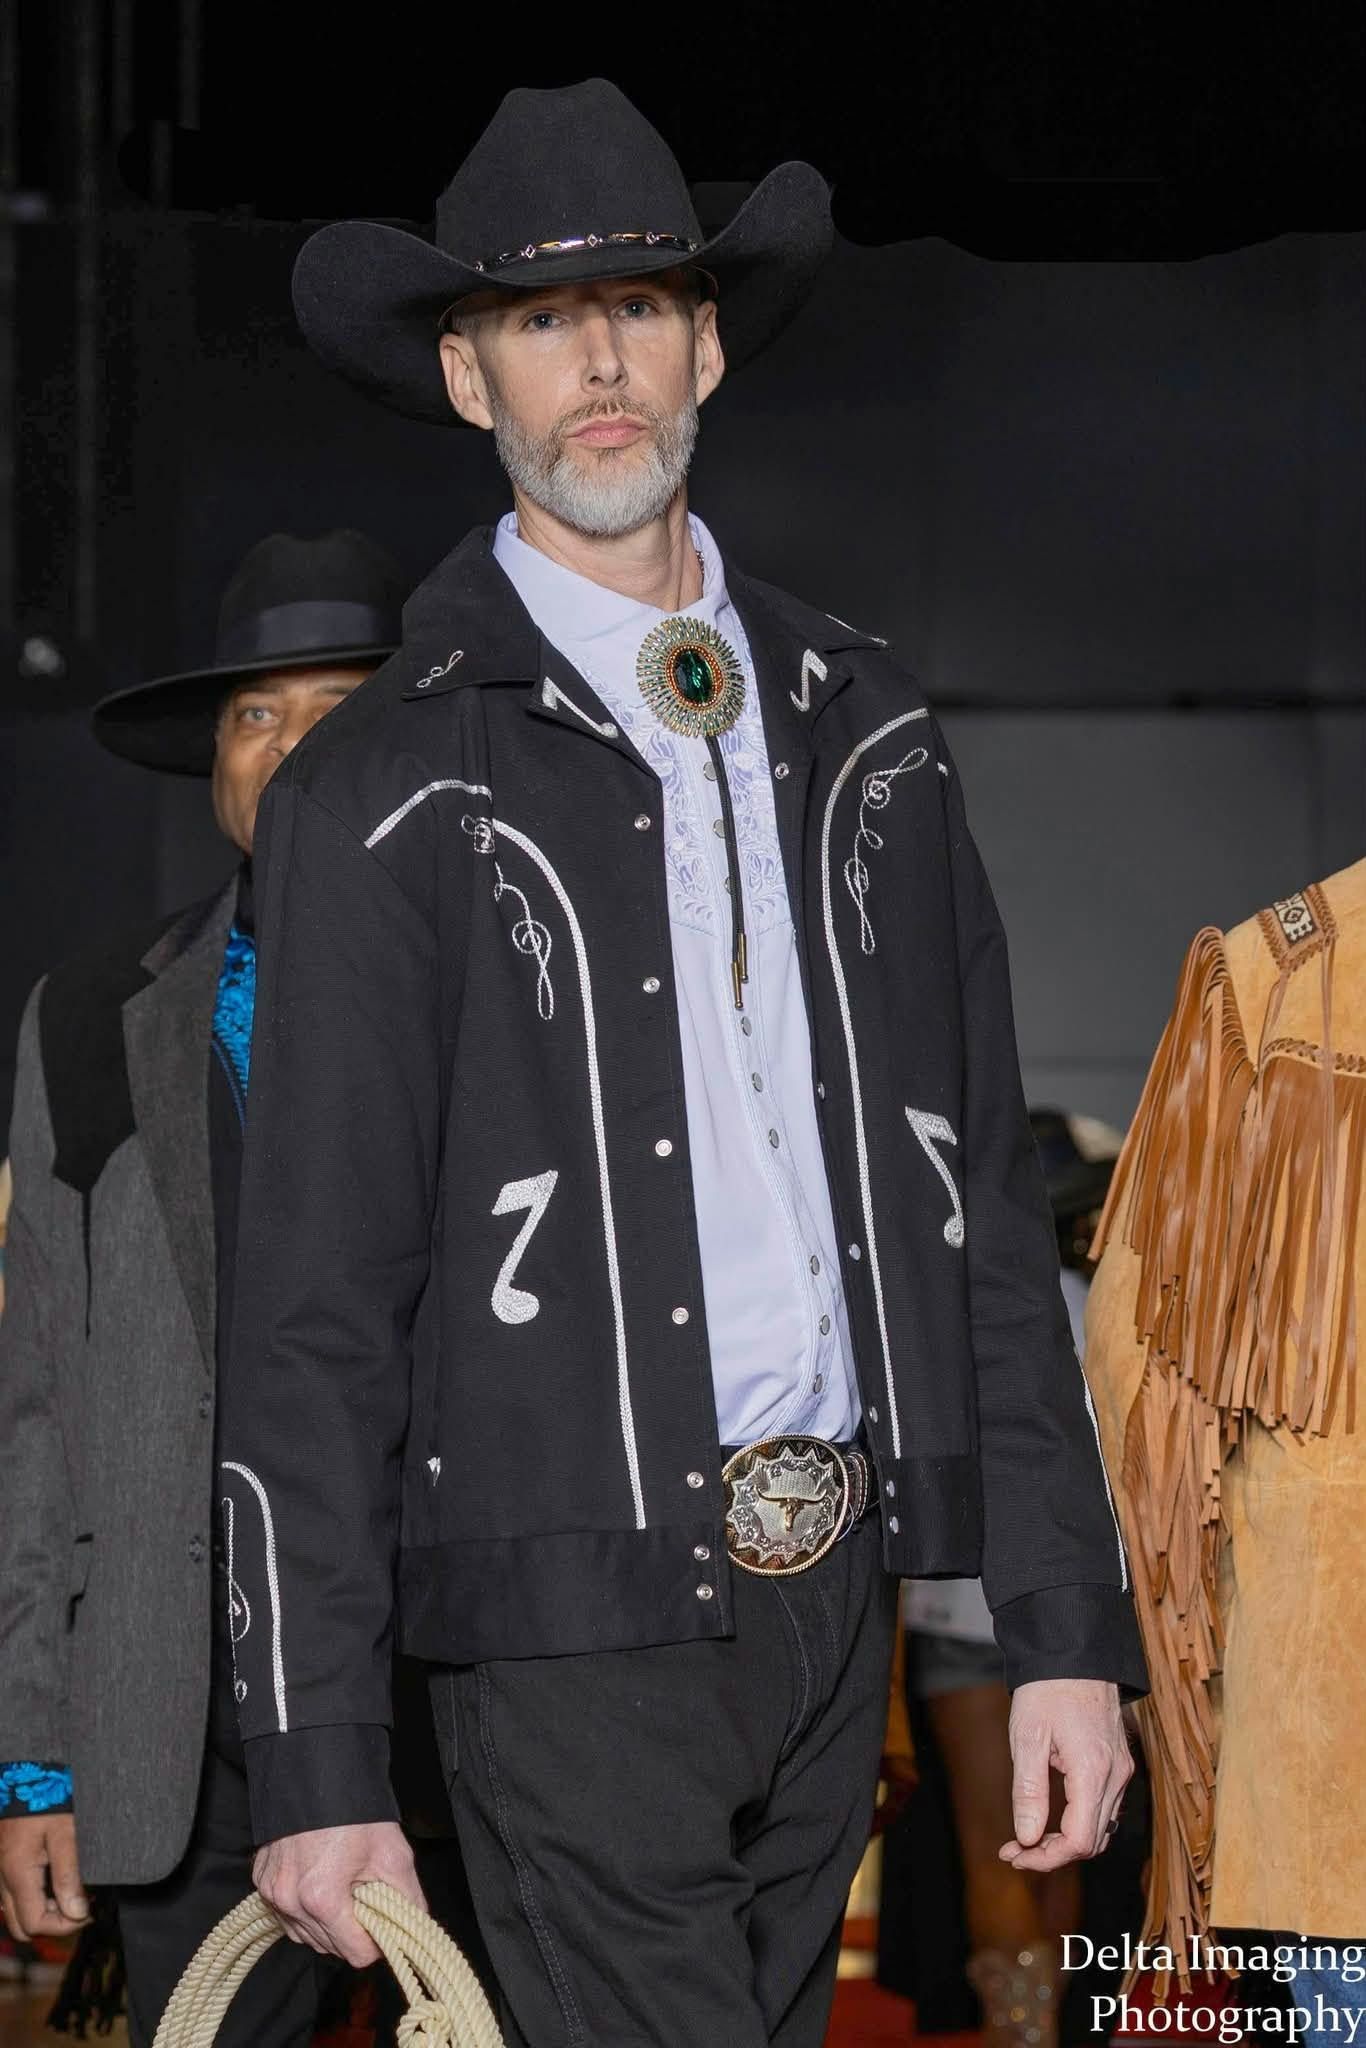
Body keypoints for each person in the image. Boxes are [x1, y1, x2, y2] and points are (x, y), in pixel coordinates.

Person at [221, 78, 1147, 2048]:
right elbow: (310, 1311)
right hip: (556, 1622)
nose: (603, 364)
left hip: (839, 1602)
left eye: (639, 307)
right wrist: (308, 1745)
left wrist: (1061, 1630)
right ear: (468, 378)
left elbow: (977, 1209)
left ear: (707, 342)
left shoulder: (864, 729)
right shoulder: (377, 793)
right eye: (545, 325)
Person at [0, 531, 407, 2046]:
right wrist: (34, 1763)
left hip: (452, 1700)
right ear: (216, 763)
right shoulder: (94, 1017)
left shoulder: (519, 987)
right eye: (256, 714)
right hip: (186, 1722)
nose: (292, 748)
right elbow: (39, 1406)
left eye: (340, 708)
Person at [1086, 861, 1366, 2044]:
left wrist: (1188, 1681)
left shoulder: (1282, 973)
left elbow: (1141, 1369)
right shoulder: (1275, 978)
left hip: (1333, 1735)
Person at [898, 1111, 1129, 2048]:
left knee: (999, 1842)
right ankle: (1042, 2029)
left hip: (961, 1609)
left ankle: (1019, 2032)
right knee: (1059, 1845)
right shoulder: (1090, 1304)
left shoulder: (948, 1307)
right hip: (1068, 1613)